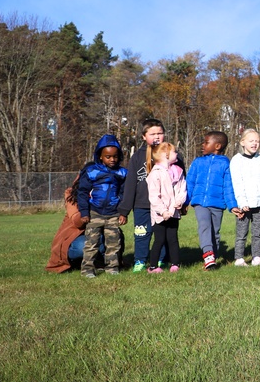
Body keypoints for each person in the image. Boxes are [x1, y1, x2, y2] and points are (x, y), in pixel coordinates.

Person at [118, 119, 173, 273]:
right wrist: (124, 209)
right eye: (153, 134)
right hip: (142, 204)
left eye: (160, 133)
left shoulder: (171, 153)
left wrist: (180, 203)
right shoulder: (137, 157)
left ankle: (160, 260)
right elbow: (130, 184)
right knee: (141, 233)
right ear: (144, 136)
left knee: (161, 235)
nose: (157, 137)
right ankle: (140, 260)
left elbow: (180, 178)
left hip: (164, 206)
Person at [186, 131, 240, 270]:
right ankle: (208, 256)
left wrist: (232, 205)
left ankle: (212, 257)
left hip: (217, 204)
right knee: (204, 226)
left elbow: (228, 186)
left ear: (217, 146)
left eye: (206, 142)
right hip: (200, 203)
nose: (202, 145)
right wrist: (185, 201)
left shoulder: (225, 164)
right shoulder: (198, 162)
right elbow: (189, 183)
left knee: (215, 231)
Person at [77, 134, 128, 278]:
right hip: (94, 213)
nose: (112, 159)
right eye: (108, 156)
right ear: (100, 156)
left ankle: (112, 268)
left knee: (113, 243)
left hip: (113, 214)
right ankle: (87, 269)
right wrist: (84, 212)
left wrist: (123, 213)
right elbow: (82, 193)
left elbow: (125, 194)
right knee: (91, 243)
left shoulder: (122, 173)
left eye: (115, 156)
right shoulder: (91, 172)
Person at [230, 129, 260, 267]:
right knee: (242, 232)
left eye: (257, 141)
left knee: (257, 233)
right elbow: (237, 183)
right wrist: (242, 202)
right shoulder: (237, 160)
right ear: (243, 142)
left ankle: (256, 257)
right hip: (245, 204)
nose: (254, 144)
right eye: (251, 141)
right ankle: (239, 258)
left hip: (259, 204)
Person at [145, 142, 187, 273]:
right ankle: (153, 266)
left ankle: (175, 264)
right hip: (160, 215)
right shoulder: (155, 173)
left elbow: (182, 188)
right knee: (159, 240)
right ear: (166, 155)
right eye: (174, 152)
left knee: (173, 239)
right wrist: (163, 211)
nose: (177, 154)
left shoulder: (178, 171)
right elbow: (153, 196)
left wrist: (180, 201)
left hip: (174, 212)